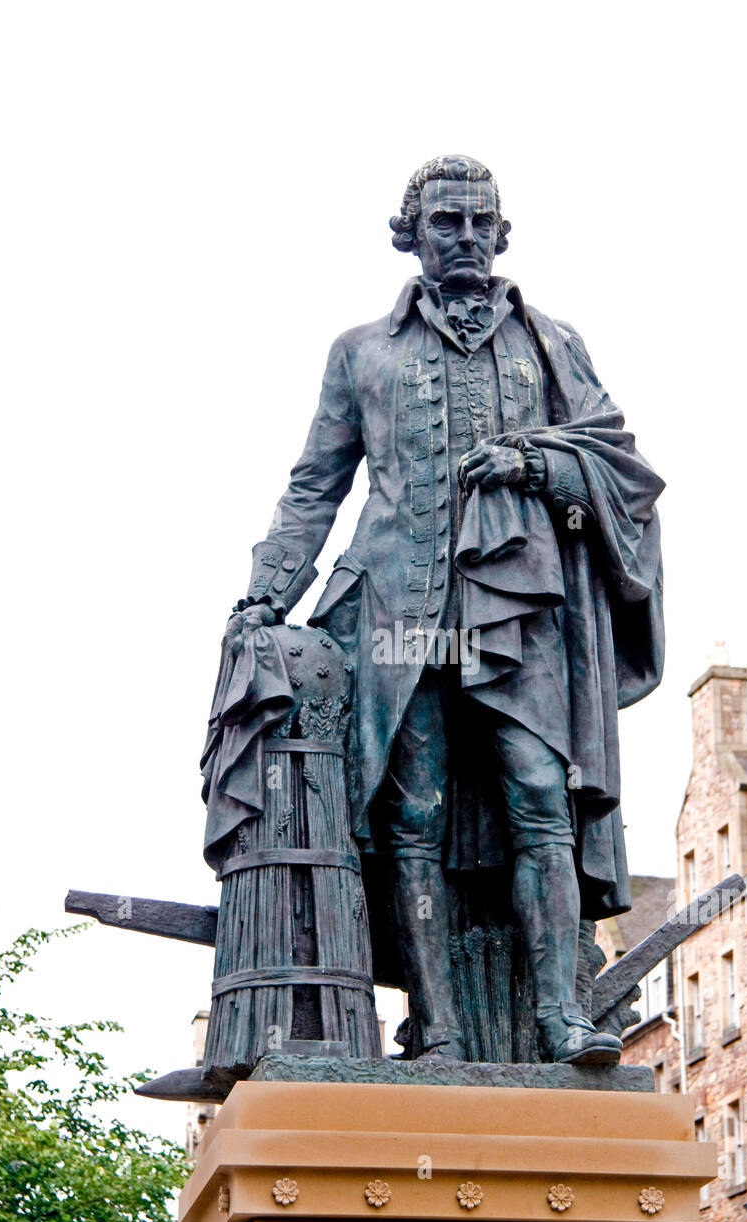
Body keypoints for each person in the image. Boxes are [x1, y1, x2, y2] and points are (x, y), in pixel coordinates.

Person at [227, 155, 665, 1064]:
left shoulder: (552, 342)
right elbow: (317, 485)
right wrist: (270, 587)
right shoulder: (362, 351)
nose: (464, 237)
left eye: (479, 223)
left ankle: (562, 1018)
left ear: (501, 234)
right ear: (412, 234)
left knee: (540, 798)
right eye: (445, 223)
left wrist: (539, 464)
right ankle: (439, 1027)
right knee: (410, 816)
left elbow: (619, 459)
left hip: (519, 610)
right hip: (397, 609)